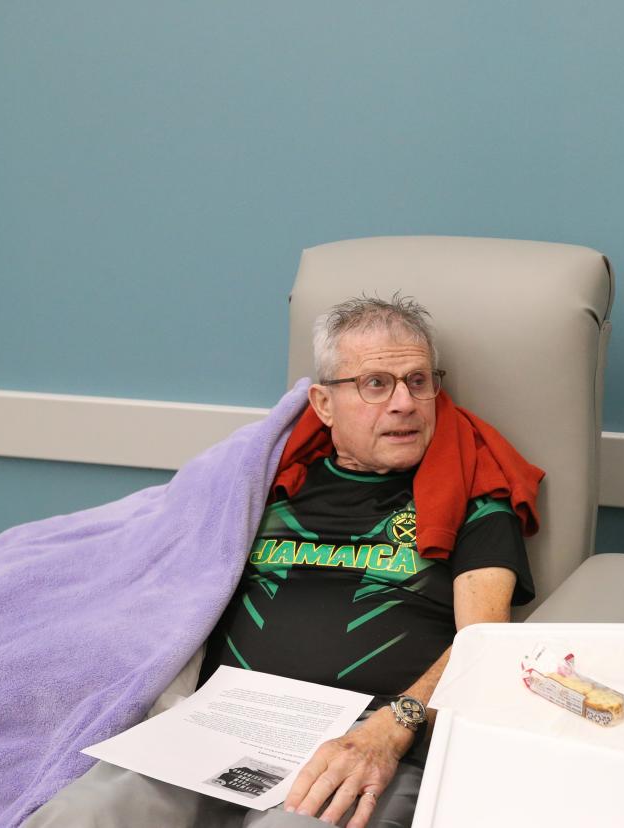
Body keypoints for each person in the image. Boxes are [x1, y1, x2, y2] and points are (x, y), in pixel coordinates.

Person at [27, 296, 536, 828]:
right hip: (213, 727)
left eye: (418, 380)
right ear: (323, 403)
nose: (405, 402)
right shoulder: (259, 483)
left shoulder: (473, 494)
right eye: (376, 384)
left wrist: (389, 730)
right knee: (77, 817)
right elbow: (157, 570)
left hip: (359, 741)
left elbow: (483, 645)